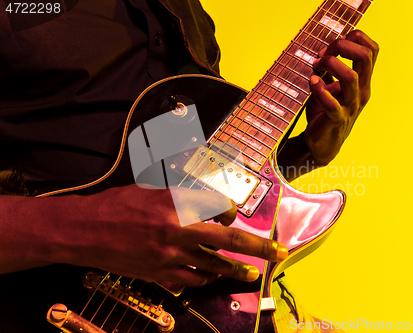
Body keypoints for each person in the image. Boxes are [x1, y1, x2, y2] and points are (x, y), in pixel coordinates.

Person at [0, 0, 378, 332]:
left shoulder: (182, 9)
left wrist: (304, 153)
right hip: (46, 304)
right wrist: (85, 228)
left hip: (207, 309)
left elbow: (187, 173)